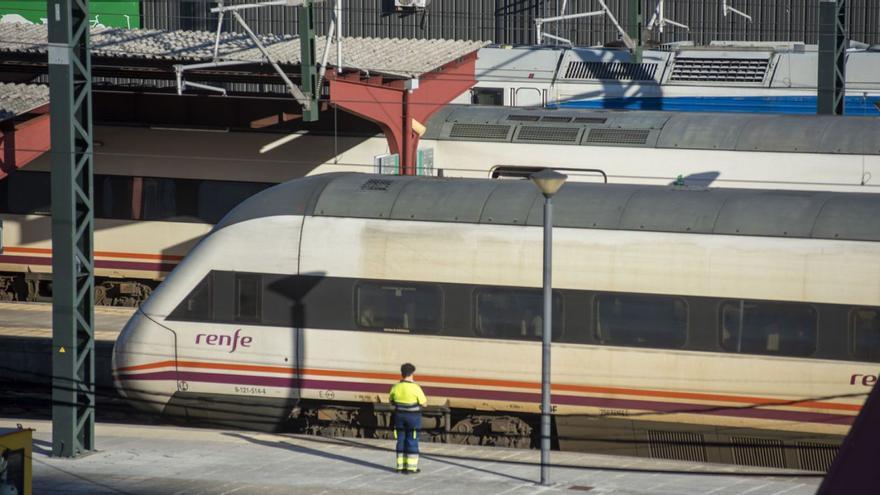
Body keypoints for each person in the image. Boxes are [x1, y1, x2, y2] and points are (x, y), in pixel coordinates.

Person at [388, 362, 427, 474]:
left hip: (399, 417)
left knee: (400, 440)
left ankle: (400, 467)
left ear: (402, 374)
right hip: (413, 418)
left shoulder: (396, 387)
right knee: (412, 440)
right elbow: (424, 403)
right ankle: (411, 468)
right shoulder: (416, 388)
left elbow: (391, 400)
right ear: (412, 374)